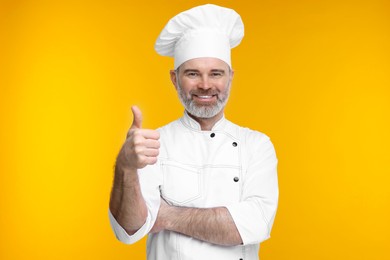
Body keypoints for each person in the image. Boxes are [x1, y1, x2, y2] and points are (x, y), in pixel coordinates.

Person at [109, 4, 279, 259]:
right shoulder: (153, 144)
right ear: (174, 79)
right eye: (192, 73)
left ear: (230, 77)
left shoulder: (257, 145)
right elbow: (130, 229)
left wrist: (165, 215)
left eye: (216, 73)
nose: (205, 85)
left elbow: (254, 224)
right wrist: (126, 167)